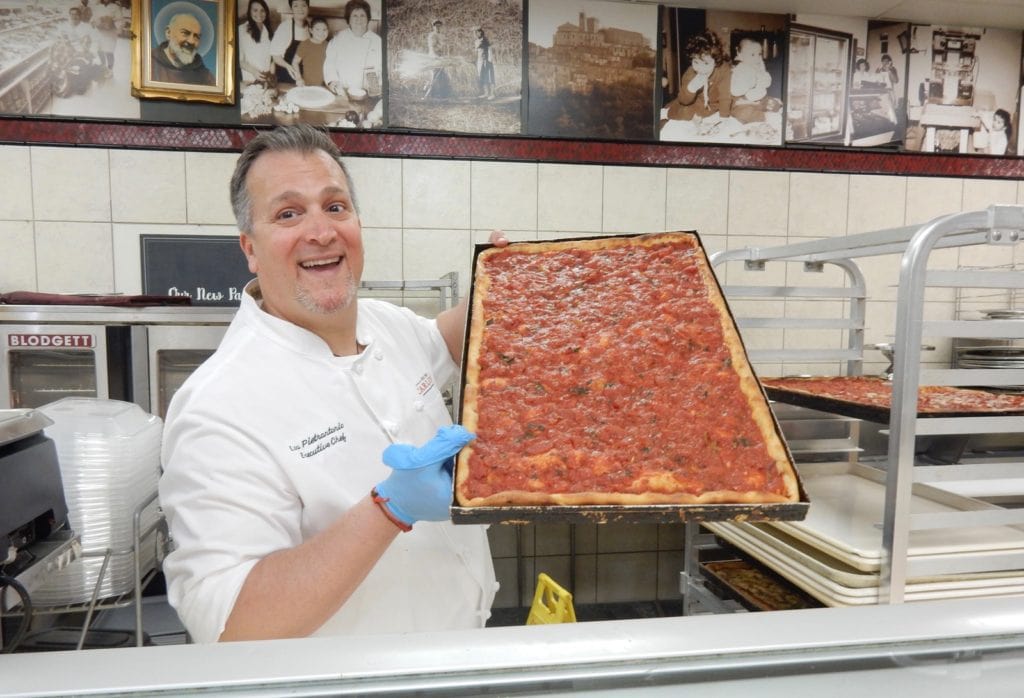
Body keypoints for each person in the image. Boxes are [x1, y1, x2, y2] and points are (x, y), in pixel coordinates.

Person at [158, 124, 502, 642]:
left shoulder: (386, 324)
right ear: (249, 248)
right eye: (288, 213)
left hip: (461, 651)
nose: (321, 232)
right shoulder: (217, 405)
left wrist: (511, 281)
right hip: (348, 684)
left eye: (335, 206)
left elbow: (450, 338)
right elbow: (232, 623)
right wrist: (389, 509)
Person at [665, 29, 731, 123]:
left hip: (714, 104)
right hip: (695, 102)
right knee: (684, 112)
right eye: (696, 62)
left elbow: (725, 96)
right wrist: (691, 88)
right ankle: (668, 110)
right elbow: (684, 100)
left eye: (706, 63)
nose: (700, 68)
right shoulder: (690, 73)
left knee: (728, 109)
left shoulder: (724, 69)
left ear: (716, 61)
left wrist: (724, 118)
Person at [324, 0, 382, 98]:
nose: (358, 19)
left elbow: (382, 68)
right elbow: (330, 63)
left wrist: (376, 88)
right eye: (354, 15)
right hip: (342, 92)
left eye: (362, 15)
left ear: (368, 18)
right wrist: (333, 83)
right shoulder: (339, 38)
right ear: (348, 19)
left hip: (369, 94)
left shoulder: (377, 41)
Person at [150, 11, 216, 86]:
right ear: (168, 32)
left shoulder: (205, 76)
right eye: (185, 33)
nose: (191, 41)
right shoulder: (149, 63)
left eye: (196, 36)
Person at [728, 37, 772, 123]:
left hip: (761, 100)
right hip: (743, 103)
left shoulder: (759, 67)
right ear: (739, 54)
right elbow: (734, 91)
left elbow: (767, 83)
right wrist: (749, 83)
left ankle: (764, 111)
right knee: (744, 114)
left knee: (774, 104)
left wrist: (763, 73)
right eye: (752, 55)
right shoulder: (739, 69)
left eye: (759, 54)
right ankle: (764, 117)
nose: (757, 58)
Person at [269, 0, 310, 85]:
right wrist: (288, 67)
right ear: (291, 9)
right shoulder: (285, 27)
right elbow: (275, 56)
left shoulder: (311, 27)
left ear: (308, 8)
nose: (300, 9)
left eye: (304, 5)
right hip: (287, 76)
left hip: (305, 77)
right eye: (296, 6)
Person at [238, 0, 274, 85]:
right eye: (255, 10)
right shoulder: (241, 30)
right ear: (249, 12)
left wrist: (271, 76)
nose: (259, 14)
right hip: (250, 79)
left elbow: (272, 58)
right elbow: (239, 60)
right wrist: (254, 72)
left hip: (267, 80)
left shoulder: (268, 30)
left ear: (266, 12)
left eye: (262, 10)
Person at [292, 16, 330, 87]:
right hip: (306, 84)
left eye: (324, 30)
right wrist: (298, 78)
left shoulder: (328, 45)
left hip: (324, 84)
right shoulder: (305, 44)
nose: (321, 33)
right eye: (317, 29)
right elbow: (295, 62)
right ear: (311, 30)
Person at [422, 18, 451, 99]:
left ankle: (442, 94)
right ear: (433, 27)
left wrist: (445, 55)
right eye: (436, 26)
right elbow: (432, 47)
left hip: (441, 57)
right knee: (434, 75)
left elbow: (444, 46)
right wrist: (437, 56)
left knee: (442, 75)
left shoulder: (442, 35)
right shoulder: (432, 35)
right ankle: (431, 94)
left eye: (439, 26)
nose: (438, 28)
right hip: (434, 57)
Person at [91, 0, 121, 75]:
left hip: (110, 33)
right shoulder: (97, 6)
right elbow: (93, 18)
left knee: (109, 52)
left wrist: (111, 22)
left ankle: (110, 69)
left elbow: (120, 20)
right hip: (99, 32)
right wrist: (94, 22)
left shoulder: (115, 7)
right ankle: (103, 66)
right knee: (99, 50)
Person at [474, 26, 495, 100]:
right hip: (480, 61)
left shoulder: (485, 40)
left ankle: (492, 94)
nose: (478, 33)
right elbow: (476, 52)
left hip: (487, 60)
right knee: (482, 76)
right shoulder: (476, 41)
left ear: (481, 32)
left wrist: (489, 59)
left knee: (489, 76)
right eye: (476, 32)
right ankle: (486, 93)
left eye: (479, 32)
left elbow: (489, 49)